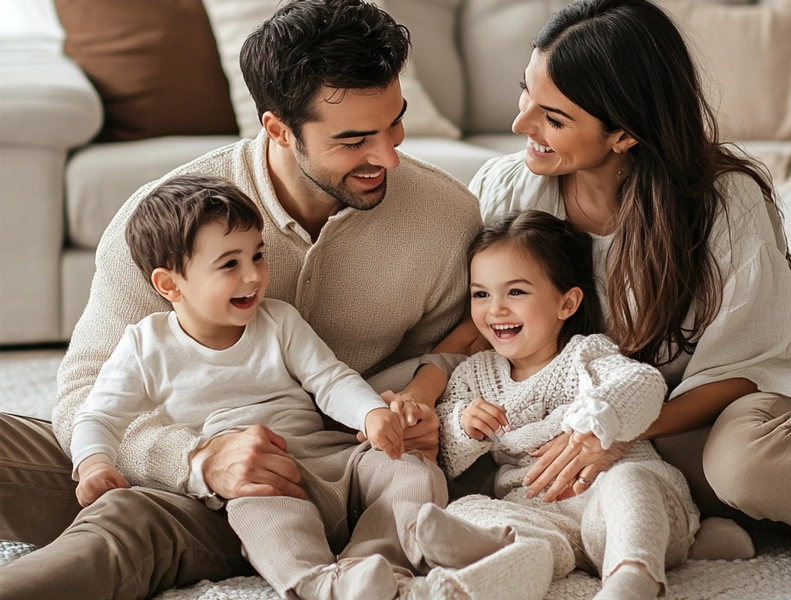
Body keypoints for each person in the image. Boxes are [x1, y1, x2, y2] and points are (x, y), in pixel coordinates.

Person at [0, 1, 487, 598]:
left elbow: (457, 355)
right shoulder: (167, 221)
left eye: (395, 123)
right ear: (277, 128)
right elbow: (84, 393)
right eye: (354, 139)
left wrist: (421, 412)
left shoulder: (446, 217)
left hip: (328, 476)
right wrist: (198, 461)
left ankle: (356, 573)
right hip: (190, 452)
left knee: (120, 526)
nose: (387, 156)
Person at [463, 0, 791, 561]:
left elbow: (751, 366)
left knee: (741, 463)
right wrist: (422, 387)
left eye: (554, 117)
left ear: (623, 134)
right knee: (550, 469)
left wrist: (615, 432)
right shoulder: (508, 190)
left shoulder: (722, 202)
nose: (520, 123)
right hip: (647, 428)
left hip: (761, 395)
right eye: (525, 91)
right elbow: (476, 317)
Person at [70, 174, 448, 600]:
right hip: (262, 482)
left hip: (334, 462)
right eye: (230, 264)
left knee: (408, 466)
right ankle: (318, 583)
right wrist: (93, 465)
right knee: (260, 512)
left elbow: (329, 378)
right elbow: (97, 415)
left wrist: (371, 414)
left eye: (257, 255)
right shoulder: (146, 346)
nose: (253, 276)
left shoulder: (278, 320)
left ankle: (383, 561)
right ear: (169, 284)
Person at [425, 210, 700, 600]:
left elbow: (642, 383)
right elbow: (446, 456)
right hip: (543, 516)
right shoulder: (474, 373)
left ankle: (634, 579)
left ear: (567, 303)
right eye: (480, 294)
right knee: (470, 507)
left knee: (629, 479)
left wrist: (597, 421)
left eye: (515, 292)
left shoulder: (585, 355)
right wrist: (463, 426)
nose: (495, 309)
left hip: (617, 510)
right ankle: (479, 578)